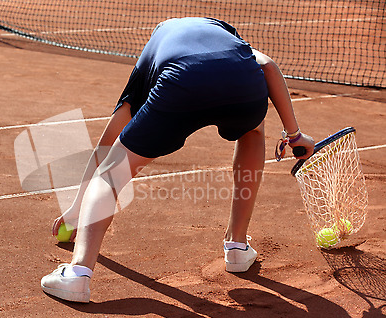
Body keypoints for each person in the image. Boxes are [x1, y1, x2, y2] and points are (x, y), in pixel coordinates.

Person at [41, 17, 315, 303]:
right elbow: (268, 66)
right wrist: (295, 135)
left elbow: (110, 138)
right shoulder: (232, 41)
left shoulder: (157, 44)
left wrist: (76, 208)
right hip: (243, 85)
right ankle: (237, 246)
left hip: (182, 81)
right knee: (253, 130)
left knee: (110, 176)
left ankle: (78, 273)